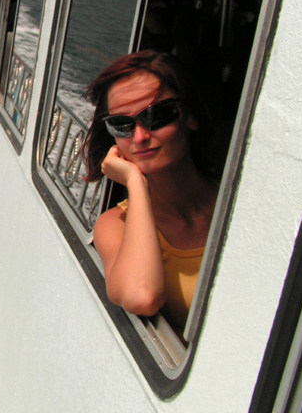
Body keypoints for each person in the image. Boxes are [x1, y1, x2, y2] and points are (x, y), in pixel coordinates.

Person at [83, 50, 218, 333]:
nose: (141, 136)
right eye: (122, 125)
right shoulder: (114, 226)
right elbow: (141, 296)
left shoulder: (234, 203)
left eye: (157, 116)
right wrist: (134, 181)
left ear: (190, 117)